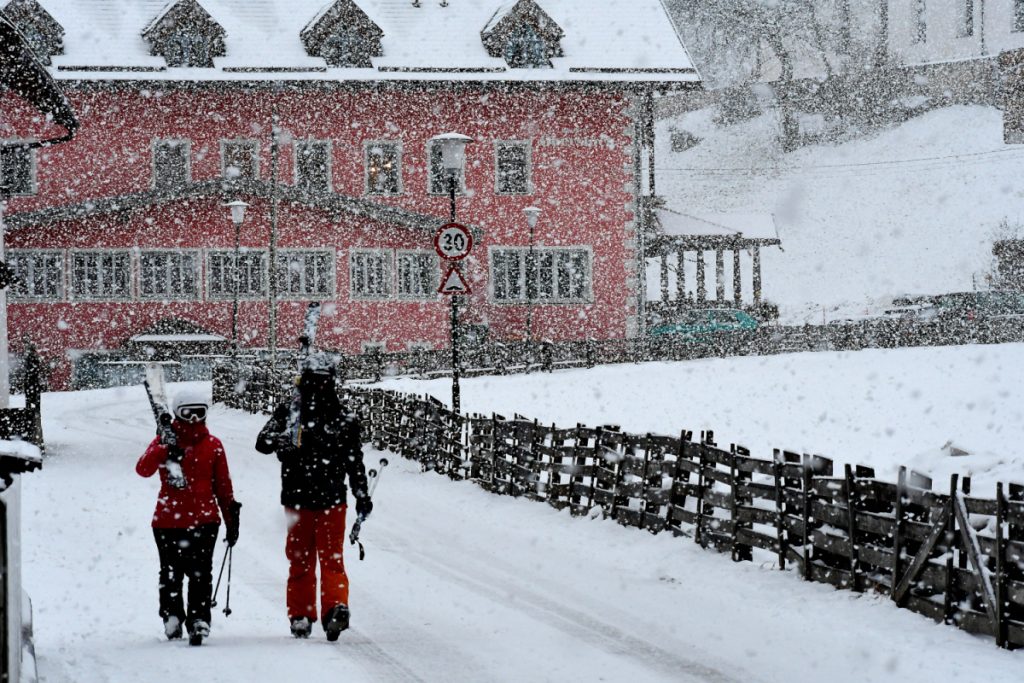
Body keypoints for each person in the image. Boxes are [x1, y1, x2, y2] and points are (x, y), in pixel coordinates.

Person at [255, 355, 371, 641]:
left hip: (303, 500)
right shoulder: (323, 415)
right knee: (329, 560)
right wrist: (360, 493)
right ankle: (330, 609)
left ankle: (305, 615)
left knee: (302, 561)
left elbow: (354, 460)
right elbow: (263, 443)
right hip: (324, 500)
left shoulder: (299, 412)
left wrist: (361, 493)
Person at [136, 388, 241, 646]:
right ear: (177, 414)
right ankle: (172, 615)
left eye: (199, 413)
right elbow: (142, 469)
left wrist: (231, 518)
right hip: (168, 520)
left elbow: (223, 487)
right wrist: (164, 451)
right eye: (188, 413)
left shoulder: (213, 445)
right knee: (171, 572)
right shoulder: (164, 441)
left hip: (204, 521)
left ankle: (198, 619)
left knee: (200, 573)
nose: (194, 420)